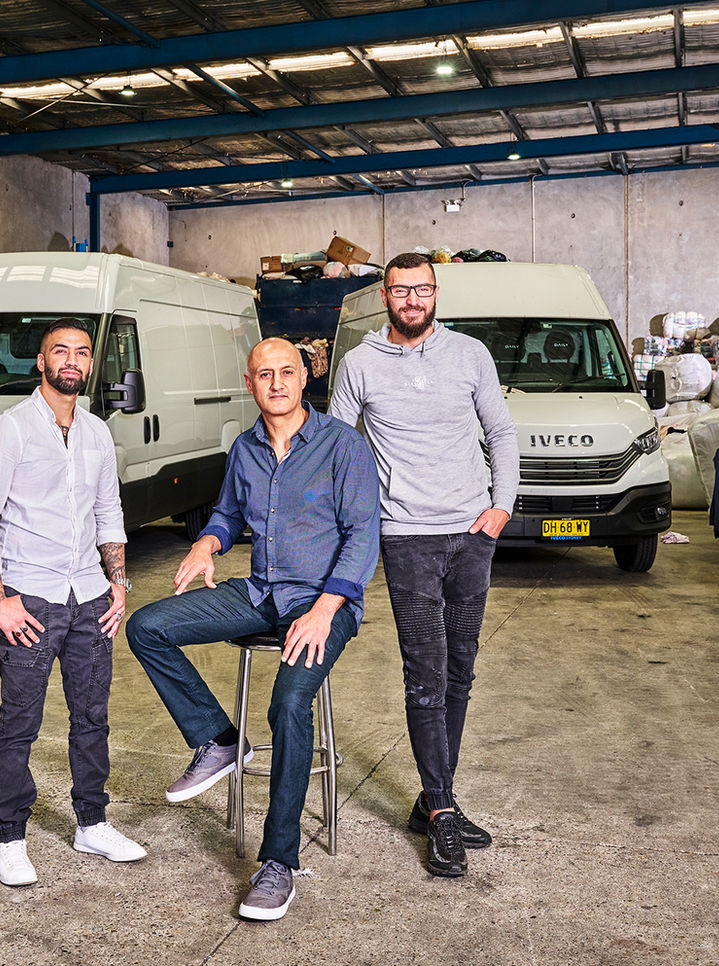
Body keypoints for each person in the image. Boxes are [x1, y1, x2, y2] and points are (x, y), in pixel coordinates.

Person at [127, 337, 380, 922]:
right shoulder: (244, 448)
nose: (277, 383)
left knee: (289, 702)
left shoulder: (343, 446)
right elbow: (227, 513)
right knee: (147, 627)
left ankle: (279, 863)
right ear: (251, 384)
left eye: (286, 372)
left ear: (304, 378)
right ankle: (218, 740)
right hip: (261, 592)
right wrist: (207, 543)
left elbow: (362, 535)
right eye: (264, 374)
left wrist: (324, 610)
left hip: (324, 601)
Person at [328, 251, 520, 879]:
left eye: (423, 289)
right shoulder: (358, 363)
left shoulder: (470, 356)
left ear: (436, 293)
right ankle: (442, 811)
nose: (412, 299)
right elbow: (336, 444)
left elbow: (502, 433)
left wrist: (500, 508)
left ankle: (434, 798)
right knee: (426, 674)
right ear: (384, 295)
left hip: (471, 534)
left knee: (460, 672)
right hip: (406, 539)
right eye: (401, 290)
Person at [0, 317, 146, 887]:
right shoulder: (11, 430)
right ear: (39, 363)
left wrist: (118, 586)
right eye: (59, 351)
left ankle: (91, 823)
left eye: (82, 352)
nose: (72, 360)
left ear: (91, 364)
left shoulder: (95, 432)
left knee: (92, 718)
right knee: (20, 723)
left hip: (90, 597)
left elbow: (109, 514)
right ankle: (10, 837)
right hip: (32, 600)